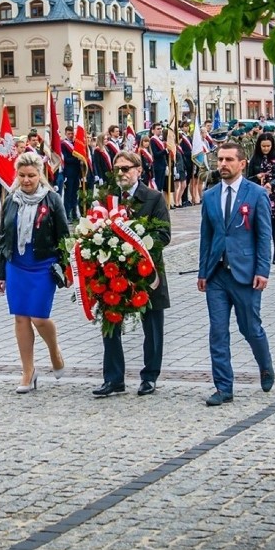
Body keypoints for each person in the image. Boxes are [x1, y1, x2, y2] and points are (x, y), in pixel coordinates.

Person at [197, 141, 275, 406]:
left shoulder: (255, 194)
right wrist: (203, 271)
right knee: (218, 331)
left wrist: (263, 270)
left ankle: (265, 365)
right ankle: (223, 387)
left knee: (250, 328)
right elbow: (206, 236)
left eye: (229, 160)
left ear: (242, 163)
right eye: (220, 159)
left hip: (245, 273)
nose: (223, 165)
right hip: (217, 274)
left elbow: (264, 235)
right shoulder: (209, 196)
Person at [92, 151, 171, 397]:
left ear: (139, 170)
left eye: (126, 168)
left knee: (153, 327)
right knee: (111, 324)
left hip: (146, 272)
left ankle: (150, 377)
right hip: (113, 272)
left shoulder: (153, 197)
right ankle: (113, 378)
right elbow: (94, 229)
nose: (122, 173)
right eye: (118, 169)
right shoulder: (107, 198)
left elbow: (164, 235)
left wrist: (137, 249)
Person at [0, 152, 69, 392]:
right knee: (20, 317)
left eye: (31, 176)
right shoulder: (11, 200)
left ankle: (54, 351)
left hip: (43, 264)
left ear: (40, 175)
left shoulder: (52, 199)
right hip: (16, 263)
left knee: (38, 316)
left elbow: (64, 236)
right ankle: (28, 371)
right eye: (22, 175)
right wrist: (1, 273)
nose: (26, 180)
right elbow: (4, 237)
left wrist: (67, 269)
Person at [247, 133, 275, 264]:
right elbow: (248, 177)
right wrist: (257, 176)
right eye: (263, 146)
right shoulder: (255, 158)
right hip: (259, 194)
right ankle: (261, 251)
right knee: (259, 224)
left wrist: (272, 183)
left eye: (268, 146)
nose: (266, 148)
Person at [61, 126, 82, 221]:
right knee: (68, 194)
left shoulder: (75, 144)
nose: (71, 135)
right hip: (68, 173)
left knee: (75, 194)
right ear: (65, 133)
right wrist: (77, 159)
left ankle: (74, 213)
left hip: (77, 172)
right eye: (69, 134)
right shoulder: (63, 145)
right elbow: (65, 159)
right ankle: (67, 214)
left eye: (72, 134)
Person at [150, 123, 169, 191]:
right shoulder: (153, 140)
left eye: (161, 128)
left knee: (161, 186)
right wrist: (165, 151)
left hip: (162, 164)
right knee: (157, 185)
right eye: (158, 129)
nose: (160, 130)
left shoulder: (160, 139)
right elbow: (155, 154)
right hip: (157, 165)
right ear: (153, 130)